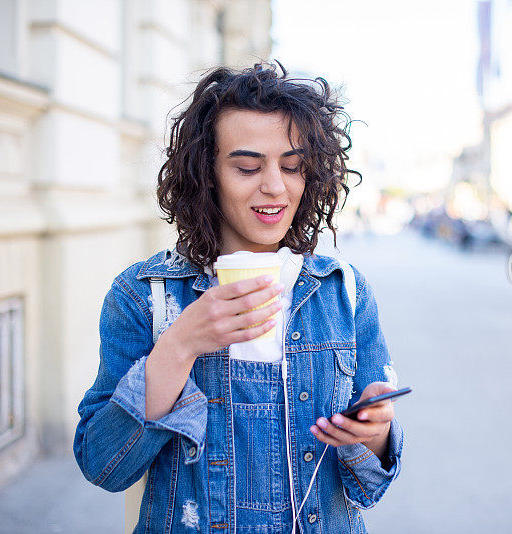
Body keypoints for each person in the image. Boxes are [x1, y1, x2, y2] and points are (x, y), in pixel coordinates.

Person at [73, 62, 404, 534]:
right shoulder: (144, 296)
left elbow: (367, 488)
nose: (274, 185)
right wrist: (178, 346)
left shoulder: (344, 293)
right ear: (206, 173)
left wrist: (373, 436)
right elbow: (103, 465)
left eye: (292, 166)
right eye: (248, 167)